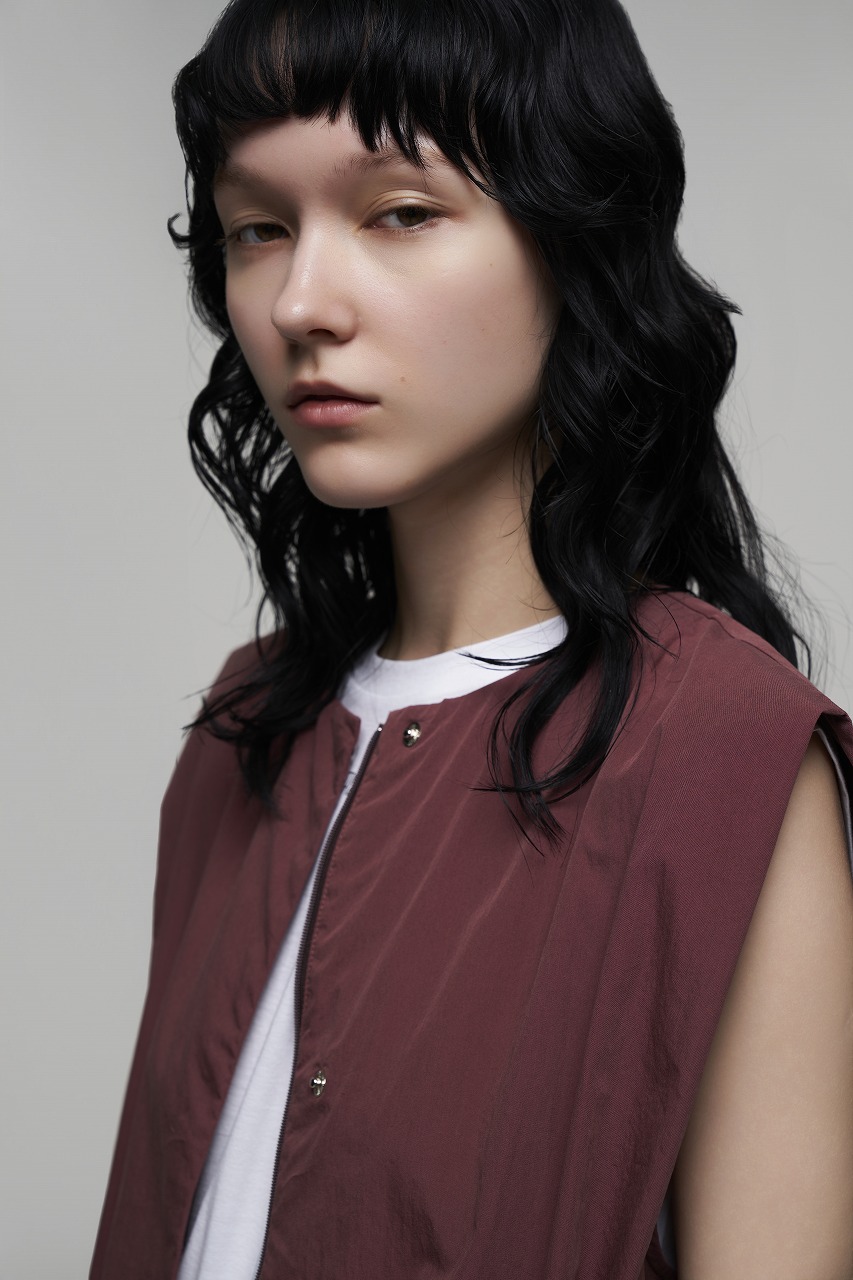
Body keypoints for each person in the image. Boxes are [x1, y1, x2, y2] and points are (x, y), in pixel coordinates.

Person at [90, 0, 853, 1276]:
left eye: (400, 212)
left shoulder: (729, 755)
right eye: (256, 228)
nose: (301, 302)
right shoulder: (243, 729)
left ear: (575, 235)